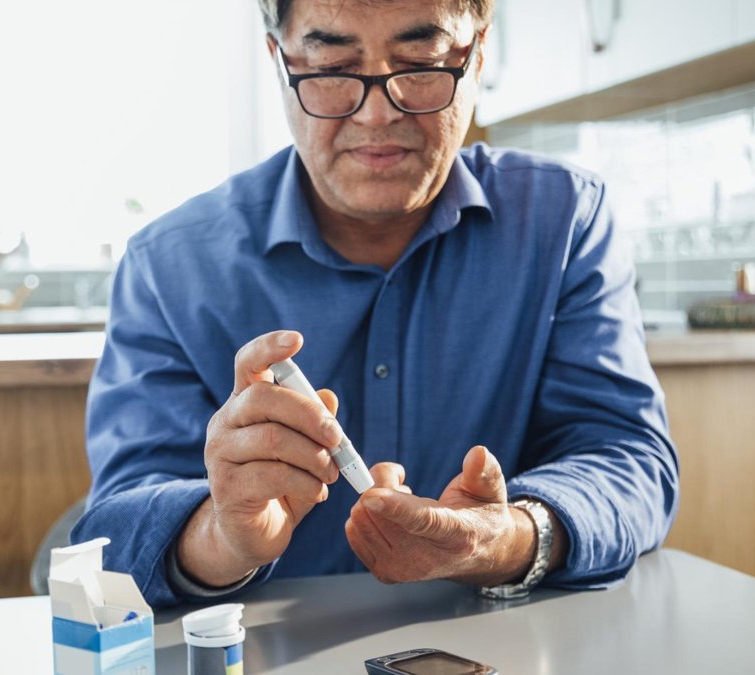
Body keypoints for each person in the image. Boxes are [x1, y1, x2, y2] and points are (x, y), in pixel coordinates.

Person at [72, 0, 679, 607]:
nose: (378, 112)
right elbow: (114, 532)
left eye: (422, 63)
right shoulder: (169, 264)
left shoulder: (564, 220)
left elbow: (628, 461)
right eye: (333, 68)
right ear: (278, 61)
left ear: (479, 52)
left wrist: (507, 537)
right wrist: (222, 534)